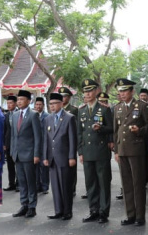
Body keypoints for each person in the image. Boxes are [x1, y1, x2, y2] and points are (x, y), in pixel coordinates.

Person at [113, 78, 148, 226]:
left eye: (124, 91)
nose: (122, 94)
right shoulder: (117, 108)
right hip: (122, 150)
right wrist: (116, 150)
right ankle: (130, 215)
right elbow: (116, 132)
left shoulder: (141, 106)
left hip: (136, 149)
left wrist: (139, 131)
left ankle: (140, 216)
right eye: (120, 91)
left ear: (132, 91)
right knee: (126, 184)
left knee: (138, 184)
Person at [77, 79, 114, 223]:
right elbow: (79, 133)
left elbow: (111, 128)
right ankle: (93, 210)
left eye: (90, 90)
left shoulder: (104, 109)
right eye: (85, 91)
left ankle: (103, 212)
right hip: (87, 152)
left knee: (103, 183)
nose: (88, 93)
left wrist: (102, 128)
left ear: (96, 92)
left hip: (101, 151)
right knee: (90, 183)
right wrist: (80, 152)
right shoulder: (82, 110)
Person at [43, 92, 78, 220]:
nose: (51, 106)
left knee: (65, 186)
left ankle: (67, 211)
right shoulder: (48, 118)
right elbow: (46, 139)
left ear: (61, 103)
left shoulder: (69, 118)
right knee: (56, 186)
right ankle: (58, 210)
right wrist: (45, 157)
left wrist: (72, 157)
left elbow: (72, 139)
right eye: (50, 104)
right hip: (52, 157)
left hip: (65, 157)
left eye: (54, 104)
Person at [11, 90, 42, 219]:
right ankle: (24, 204)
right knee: (21, 182)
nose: (19, 102)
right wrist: (13, 152)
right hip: (17, 154)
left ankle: (32, 207)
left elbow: (38, 137)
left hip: (29, 154)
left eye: (22, 99)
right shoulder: (14, 115)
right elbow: (13, 136)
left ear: (29, 101)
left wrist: (36, 154)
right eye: (18, 100)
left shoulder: (33, 115)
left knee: (30, 182)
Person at [59, 86, 79, 197]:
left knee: (71, 166)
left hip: (70, 141)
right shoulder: (57, 110)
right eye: (61, 97)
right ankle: (62, 187)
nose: (62, 99)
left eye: (65, 96)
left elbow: (76, 128)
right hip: (59, 143)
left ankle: (72, 188)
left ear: (69, 97)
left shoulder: (74, 110)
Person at [33, 97, 50, 194]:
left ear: (43, 105)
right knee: (35, 166)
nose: (38, 106)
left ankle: (45, 186)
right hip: (35, 145)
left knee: (44, 166)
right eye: (37, 104)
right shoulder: (32, 115)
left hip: (44, 144)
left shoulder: (47, 116)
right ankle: (37, 185)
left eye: (40, 104)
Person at [3, 95, 18, 192]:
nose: (9, 105)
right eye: (7, 103)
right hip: (8, 143)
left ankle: (19, 184)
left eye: (11, 103)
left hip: (18, 143)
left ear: (15, 103)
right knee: (10, 165)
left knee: (18, 164)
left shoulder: (19, 114)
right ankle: (11, 183)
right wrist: (4, 143)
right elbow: (4, 130)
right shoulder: (6, 115)